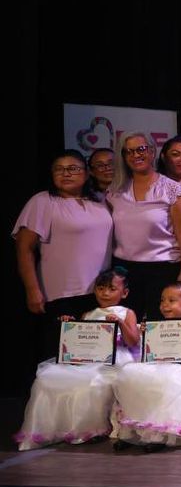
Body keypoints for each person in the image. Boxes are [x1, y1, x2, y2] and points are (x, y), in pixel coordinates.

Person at [15, 267, 138, 451]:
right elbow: (79, 344)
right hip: (88, 360)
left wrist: (119, 323)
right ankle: (62, 427)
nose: (105, 293)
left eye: (112, 289)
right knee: (48, 378)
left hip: (116, 357)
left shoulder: (126, 312)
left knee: (93, 381)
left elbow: (133, 341)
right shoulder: (88, 315)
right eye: (100, 288)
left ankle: (92, 429)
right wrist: (70, 326)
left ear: (124, 292)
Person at [14, 150, 114, 359]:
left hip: (99, 294)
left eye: (73, 169)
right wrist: (32, 290)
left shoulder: (99, 200)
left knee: (94, 357)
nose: (65, 174)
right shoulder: (43, 201)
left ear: (87, 174)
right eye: (59, 169)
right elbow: (24, 249)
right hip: (61, 295)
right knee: (61, 358)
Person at [112, 281, 181, 452]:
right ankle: (134, 431)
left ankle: (160, 433)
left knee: (170, 379)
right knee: (131, 373)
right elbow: (149, 351)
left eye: (171, 301)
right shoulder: (158, 326)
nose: (164, 305)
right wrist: (146, 335)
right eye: (162, 301)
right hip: (162, 362)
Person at [107, 132, 181, 321]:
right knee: (127, 327)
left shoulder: (172, 190)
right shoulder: (115, 191)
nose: (136, 155)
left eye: (141, 149)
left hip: (163, 269)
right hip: (124, 270)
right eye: (129, 151)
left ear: (152, 152)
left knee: (158, 328)